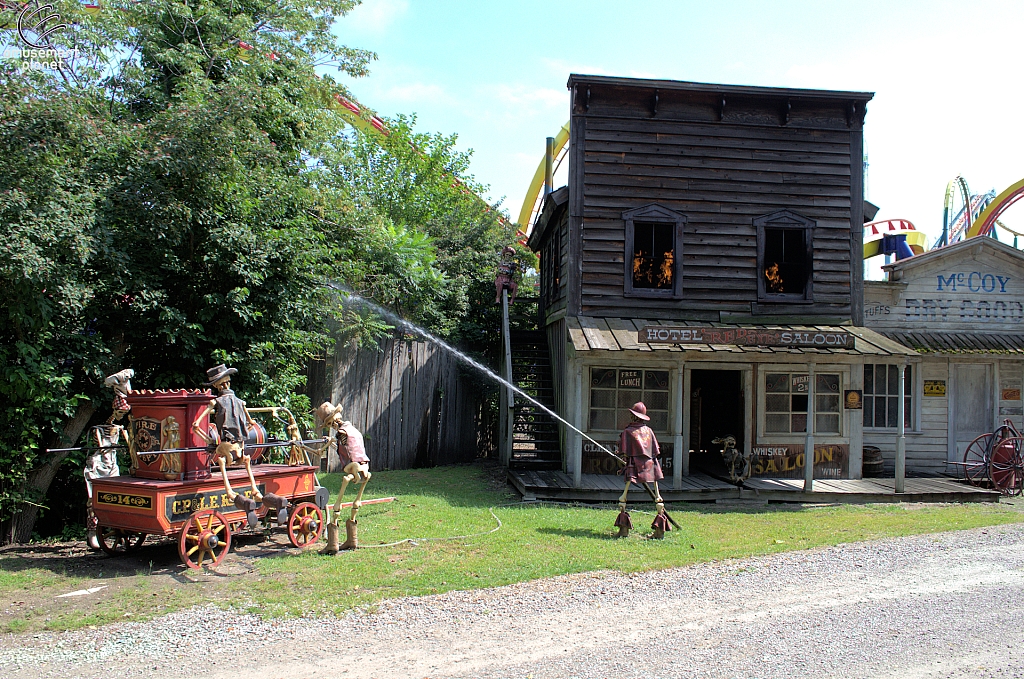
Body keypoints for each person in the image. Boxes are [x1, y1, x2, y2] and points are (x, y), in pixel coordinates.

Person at [615, 401, 670, 538]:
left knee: (624, 498)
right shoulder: (649, 431)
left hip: (634, 466)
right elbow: (655, 451)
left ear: (634, 416)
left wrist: (621, 457)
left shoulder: (628, 431)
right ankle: (659, 530)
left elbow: (624, 452)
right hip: (651, 465)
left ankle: (623, 529)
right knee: (658, 498)